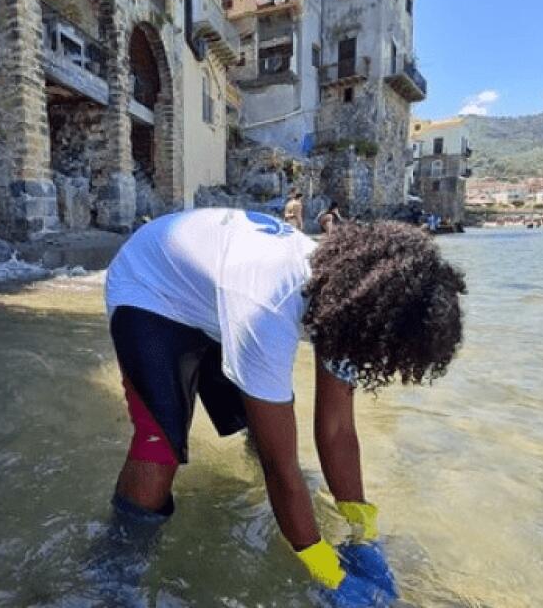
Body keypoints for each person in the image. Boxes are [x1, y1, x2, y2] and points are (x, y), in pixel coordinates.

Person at [100, 209, 466, 605]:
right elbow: (281, 467)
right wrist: (322, 566)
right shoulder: (268, 309)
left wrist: (361, 525)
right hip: (150, 290)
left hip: (214, 295)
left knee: (262, 428)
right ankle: (114, 566)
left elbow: (338, 430)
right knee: (161, 448)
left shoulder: (346, 303)